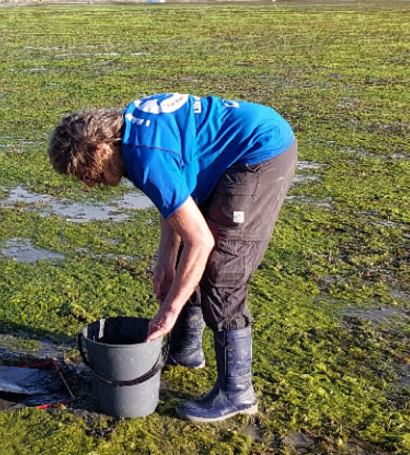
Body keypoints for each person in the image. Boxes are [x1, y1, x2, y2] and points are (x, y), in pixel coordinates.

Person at [48, 93, 296, 422]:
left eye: (86, 174)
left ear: (101, 148)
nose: (90, 185)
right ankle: (186, 351)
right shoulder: (131, 137)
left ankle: (237, 392)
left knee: (222, 271)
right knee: (187, 262)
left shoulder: (146, 158)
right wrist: (166, 257)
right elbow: (176, 198)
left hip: (259, 151)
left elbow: (200, 240)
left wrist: (169, 311)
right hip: (227, 154)